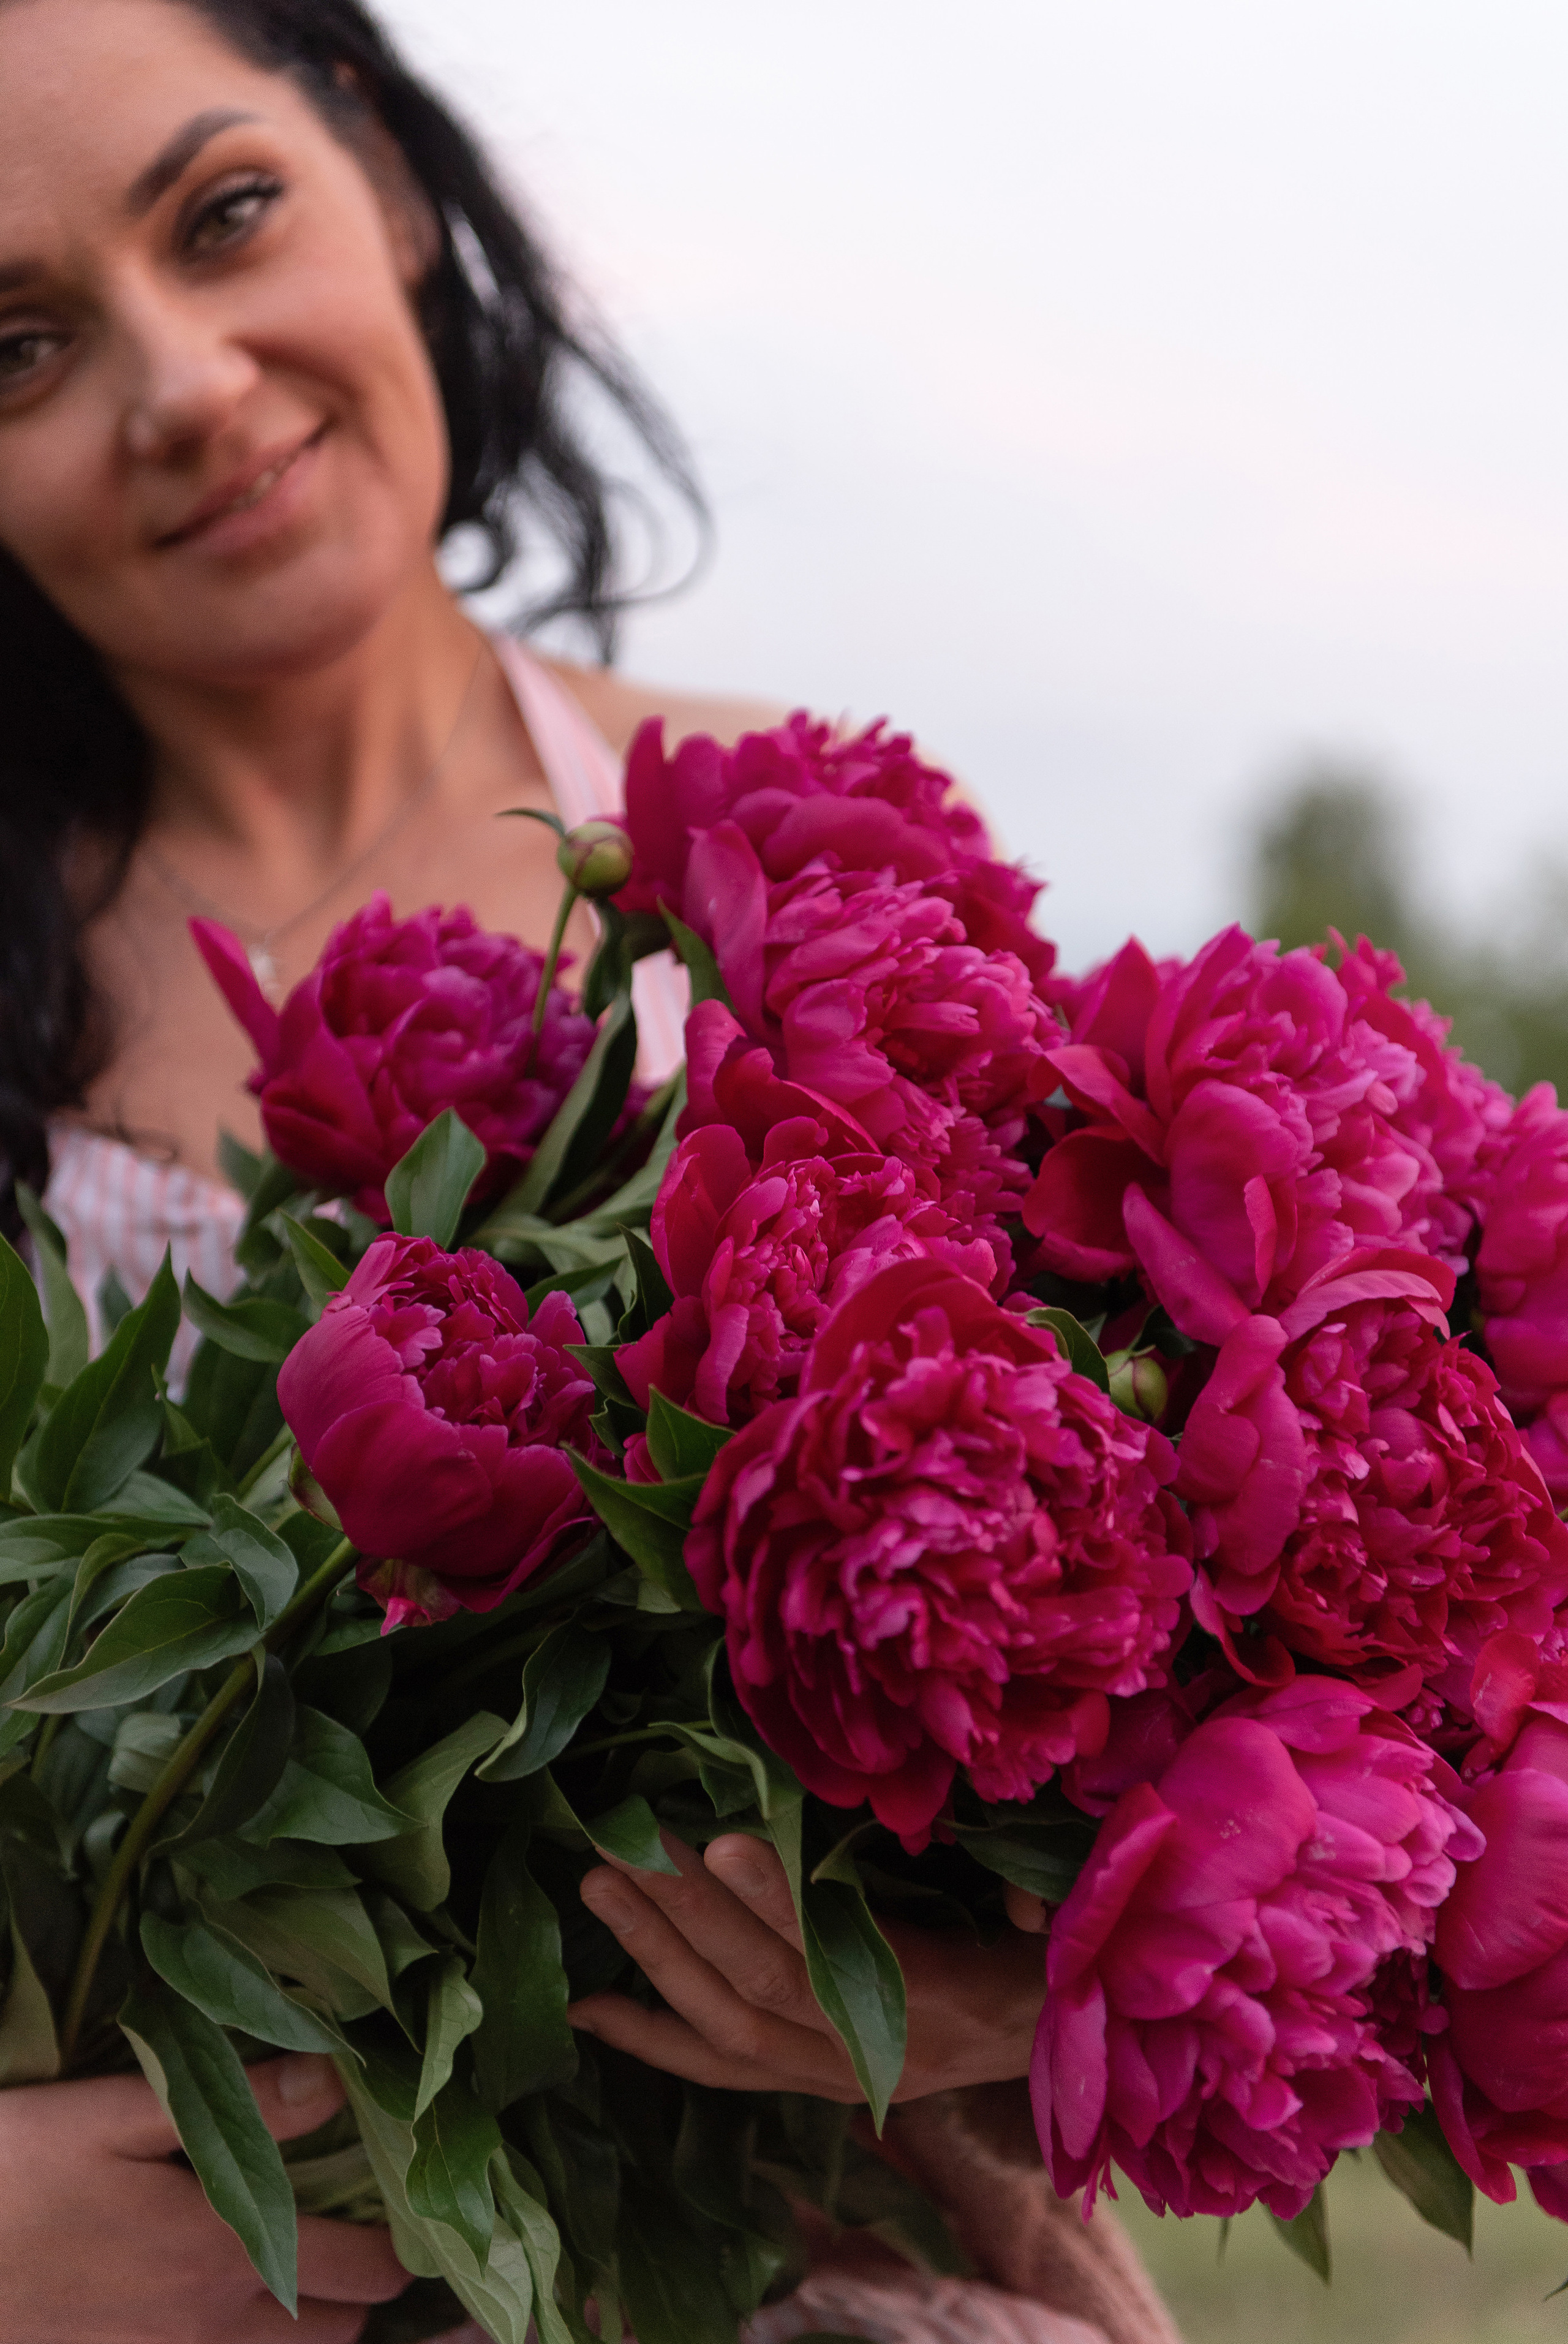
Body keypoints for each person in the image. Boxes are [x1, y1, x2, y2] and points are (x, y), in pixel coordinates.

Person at [0, 3, 1182, 2338]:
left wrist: (995, 1973)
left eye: (224, 215)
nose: (192, 388)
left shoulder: (801, 848)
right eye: (19, 347)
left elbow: (1157, 1596)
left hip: (824, 2259)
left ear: (396, 182)